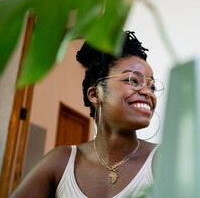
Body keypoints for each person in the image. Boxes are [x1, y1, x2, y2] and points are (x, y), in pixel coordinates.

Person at [10, 31, 163, 198]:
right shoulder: (61, 162)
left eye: (152, 86)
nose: (148, 92)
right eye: (133, 81)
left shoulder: (163, 160)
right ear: (95, 94)